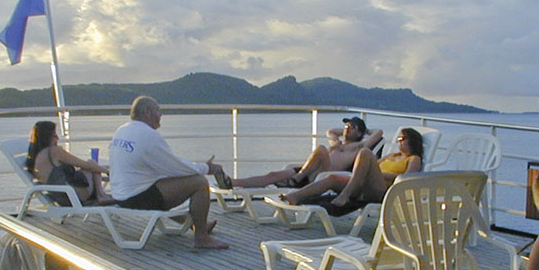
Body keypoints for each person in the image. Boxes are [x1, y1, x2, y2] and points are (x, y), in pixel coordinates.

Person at [109, 96, 228, 250]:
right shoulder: (148, 135)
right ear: (147, 113)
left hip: (120, 195)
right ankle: (201, 237)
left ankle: (199, 224)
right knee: (199, 182)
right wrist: (206, 168)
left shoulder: (122, 130)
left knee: (168, 182)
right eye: (158, 110)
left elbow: (167, 167)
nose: (161, 115)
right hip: (137, 199)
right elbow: (175, 166)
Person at [280, 127, 423, 208]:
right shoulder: (391, 156)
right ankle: (295, 196)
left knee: (365, 152)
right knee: (332, 178)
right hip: (364, 184)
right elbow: (372, 165)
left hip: (382, 190)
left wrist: (379, 175)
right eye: (398, 139)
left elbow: (406, 179)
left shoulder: (414, 159)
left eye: (402, 139)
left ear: (412, 140)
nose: (399, 142)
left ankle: (345, 194)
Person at [227, 116, 383, 189]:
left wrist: (365, 131)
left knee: (321, 149)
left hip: (324, 174)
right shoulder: (337, 143)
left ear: (360, 133)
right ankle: (233, 183)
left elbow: (379, 132)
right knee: (272, 175)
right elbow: (330, 131)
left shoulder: (359, 146)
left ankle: (299, 177)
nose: (347, 129)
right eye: (346, 126)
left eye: (352, 127)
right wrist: (346, 130)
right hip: (311, 170)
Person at [26, 120, 111, 206]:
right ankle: (101, 195)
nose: (58, 138)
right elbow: (86, 165)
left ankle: (101, 195)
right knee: (92, 164)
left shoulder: (36, 157)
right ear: (47, 137)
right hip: (73, 195)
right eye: (55, 135)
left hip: (61, 197)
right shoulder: (54, 151)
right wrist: (108, 171)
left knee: (92, 166)